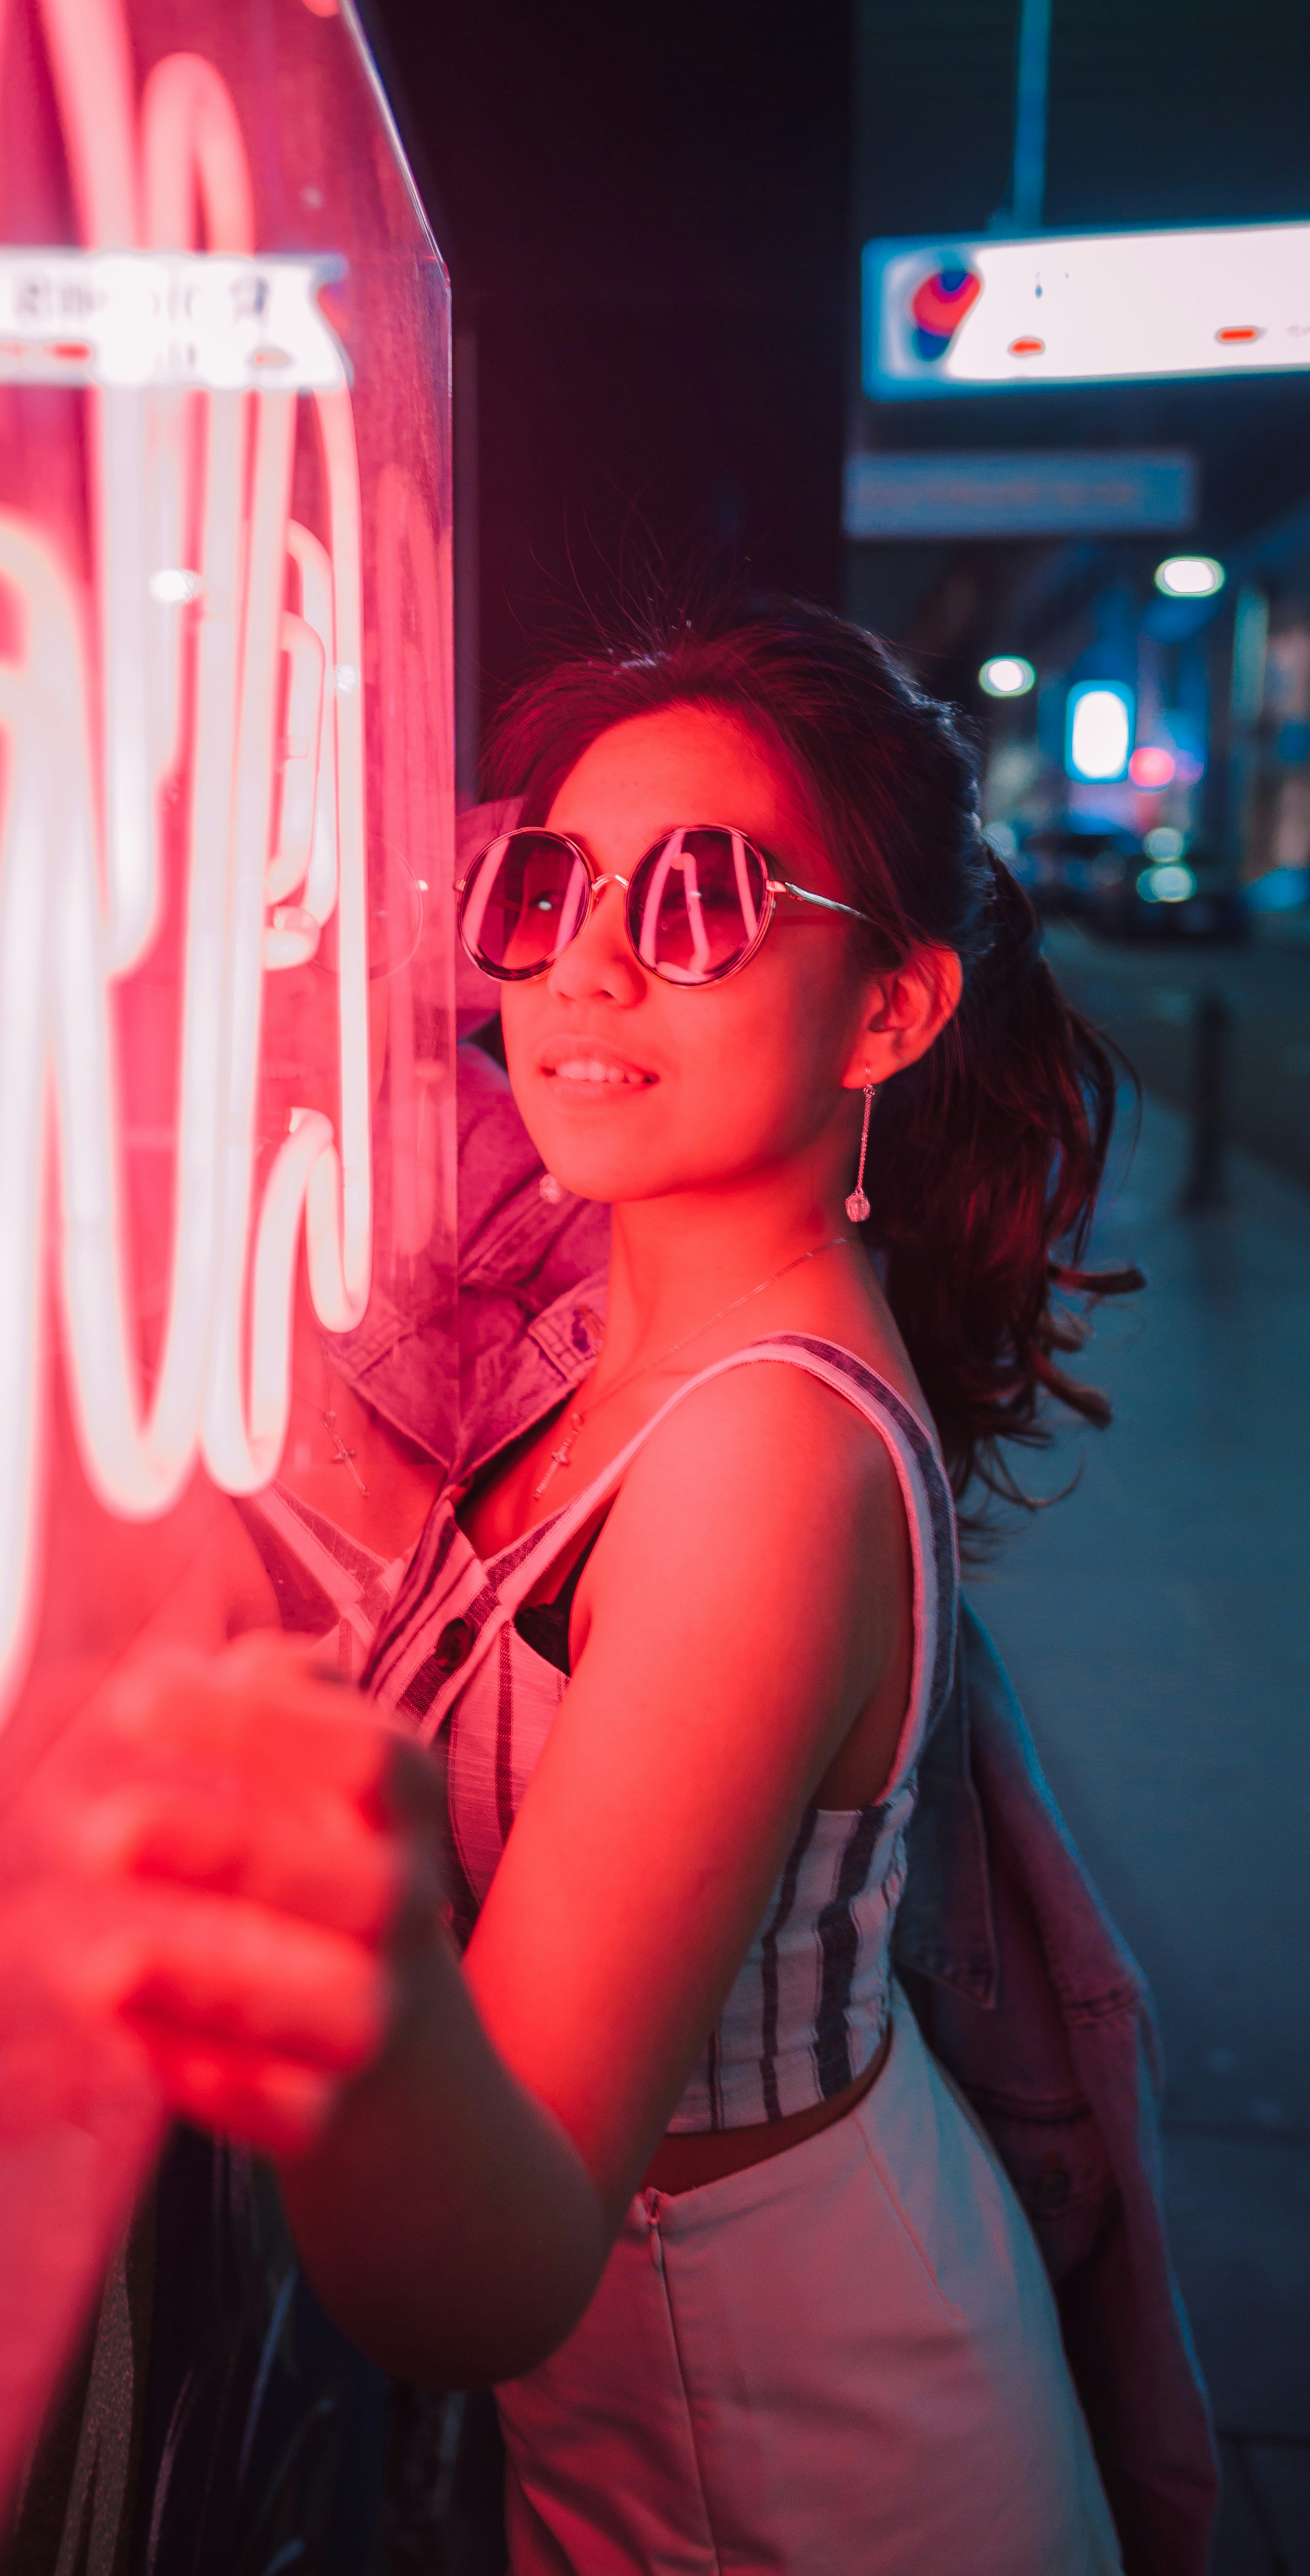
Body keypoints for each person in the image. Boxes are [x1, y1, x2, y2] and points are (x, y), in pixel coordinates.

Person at [113, 600, 1158, 2574]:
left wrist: (345, 1962)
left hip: (787, 2452)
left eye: (702, 900)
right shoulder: (630, 1310)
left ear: (888, 1013)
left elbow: (477, 2274)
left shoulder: (764, 1464)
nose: (588, 964)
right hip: (685, 2380)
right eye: (551, 885)